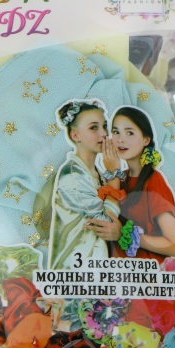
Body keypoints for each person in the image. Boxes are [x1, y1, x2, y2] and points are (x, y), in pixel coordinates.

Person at [89, 106, 175, 260]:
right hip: (117, 270)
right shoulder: (118, 179)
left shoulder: (153, 181)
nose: (120, 139)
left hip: (148, 272)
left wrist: (123, 234)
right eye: (116, 132)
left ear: (146, 140)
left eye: (129, 133)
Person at [49, 100, 122, 268]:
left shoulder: (97, 173)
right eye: (94, 128)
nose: (103, 134)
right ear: (75, 135)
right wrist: (115, 175)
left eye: (104, 126)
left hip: (94, 268)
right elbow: (105, 223)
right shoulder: (73, 176)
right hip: (73, 272)